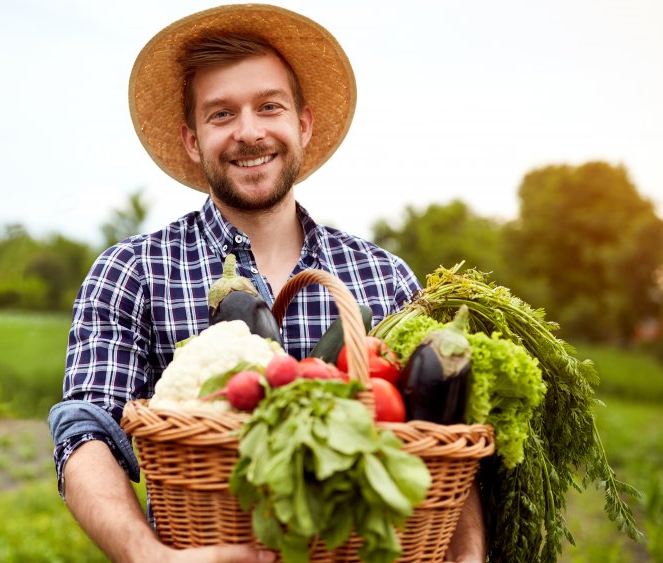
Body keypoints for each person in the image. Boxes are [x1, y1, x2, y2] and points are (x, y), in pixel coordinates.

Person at [49, 5, 484, 562]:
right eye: (221, 114)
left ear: (302, 124)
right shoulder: (131, 272)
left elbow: (447, 439)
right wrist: (146, 556)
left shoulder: (386, 277)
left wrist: (468, 554)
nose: (249, 131)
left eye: (269, 106)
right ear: (191, 140)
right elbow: (85, 432)